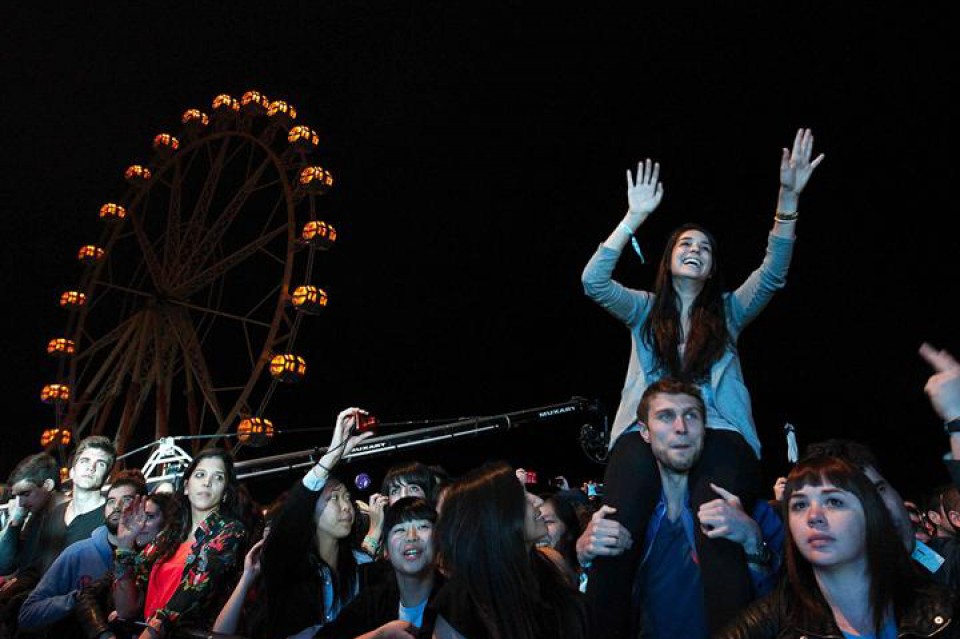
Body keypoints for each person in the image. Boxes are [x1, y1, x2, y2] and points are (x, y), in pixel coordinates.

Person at [582, 379, 783, 639]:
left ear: (705, 429)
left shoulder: (749, 512)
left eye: (691, 416)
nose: (681, 427)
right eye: (666, 416)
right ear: (645, 432)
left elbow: (782, 606)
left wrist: (753, 542)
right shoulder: (623, 517)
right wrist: (584, 556)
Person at [718, 454, 958, 639]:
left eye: (833, 501)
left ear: (870, 514)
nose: (813, 516)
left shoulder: (943, 611)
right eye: (799, 505)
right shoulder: (766, 625)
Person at [255, 407, 374, 639]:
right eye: (333, 498)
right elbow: (289, 519)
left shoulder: (361, 565)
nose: (346, 506)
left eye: (347, 497)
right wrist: (331, 456)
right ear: (308, 509)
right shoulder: (287, 565)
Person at [431, 461, 587, 639]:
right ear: (495, 516)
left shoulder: (550, 567)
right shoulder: (460, 602)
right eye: (522, 497)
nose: (536, 502)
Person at [112, 449, 246, 639]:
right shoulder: (169, 534)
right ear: (186, 486)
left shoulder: (230, 531)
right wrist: (125, 545)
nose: (207, 482)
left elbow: (187, 599)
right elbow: (126, 608)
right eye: (200, 475)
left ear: (225, 492)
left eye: (218, 477)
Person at [17, 471, 148, 634]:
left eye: (127, 500)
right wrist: (79, 599)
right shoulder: (78, 553)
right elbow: (28, 613)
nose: (117, 506)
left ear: (143, 506)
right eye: (111, 501)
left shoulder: (151, 555)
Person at [315, 497, 442, 639]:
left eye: (422, 527)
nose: (411, 536)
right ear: (386, 550)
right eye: (400, 530)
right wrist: (378, 635)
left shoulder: (454, 601)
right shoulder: (372, 601)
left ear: (438, 540)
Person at [72, 492, 179, 639]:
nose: (140, 523)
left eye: (149, 517)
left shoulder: (173, 561)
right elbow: (87, 595)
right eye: (138, 516)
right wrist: (104, 634)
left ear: (167, 522)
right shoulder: (134, 556)